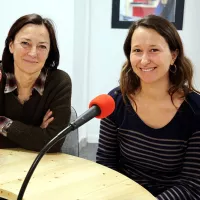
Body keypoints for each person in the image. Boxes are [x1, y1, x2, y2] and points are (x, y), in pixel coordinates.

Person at [96, 15, 200, 199]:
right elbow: (106, 165)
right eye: (137, 50)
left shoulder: (196, 111)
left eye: (154, 50)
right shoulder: (115, 101)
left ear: (173, 56)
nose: (144, 60)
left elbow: (192, 186)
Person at [0, 14, 71, 152]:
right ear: (11, 45)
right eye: (25, 43)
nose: (33, 53)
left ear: (49, 51)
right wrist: (37, 133)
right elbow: (45, 140)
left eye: (42, 46)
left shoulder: (59, 82)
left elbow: (53, 143)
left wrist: (3, 124)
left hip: (42, 164)